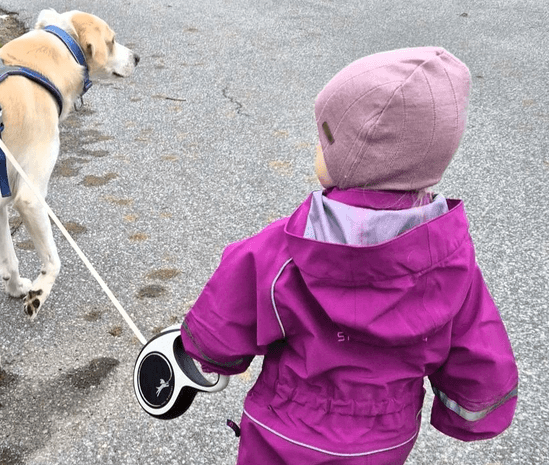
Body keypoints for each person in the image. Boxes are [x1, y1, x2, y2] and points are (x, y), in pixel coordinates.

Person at [179, 47, 518, 464]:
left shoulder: (289, 246)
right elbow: (478, 349)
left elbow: (222, 323)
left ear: (358, 156)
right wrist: (470, 409)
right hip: (384, 440)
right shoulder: (448, 261)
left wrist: (206, 354)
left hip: (284, 434)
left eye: (324, 140)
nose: (316, 149)